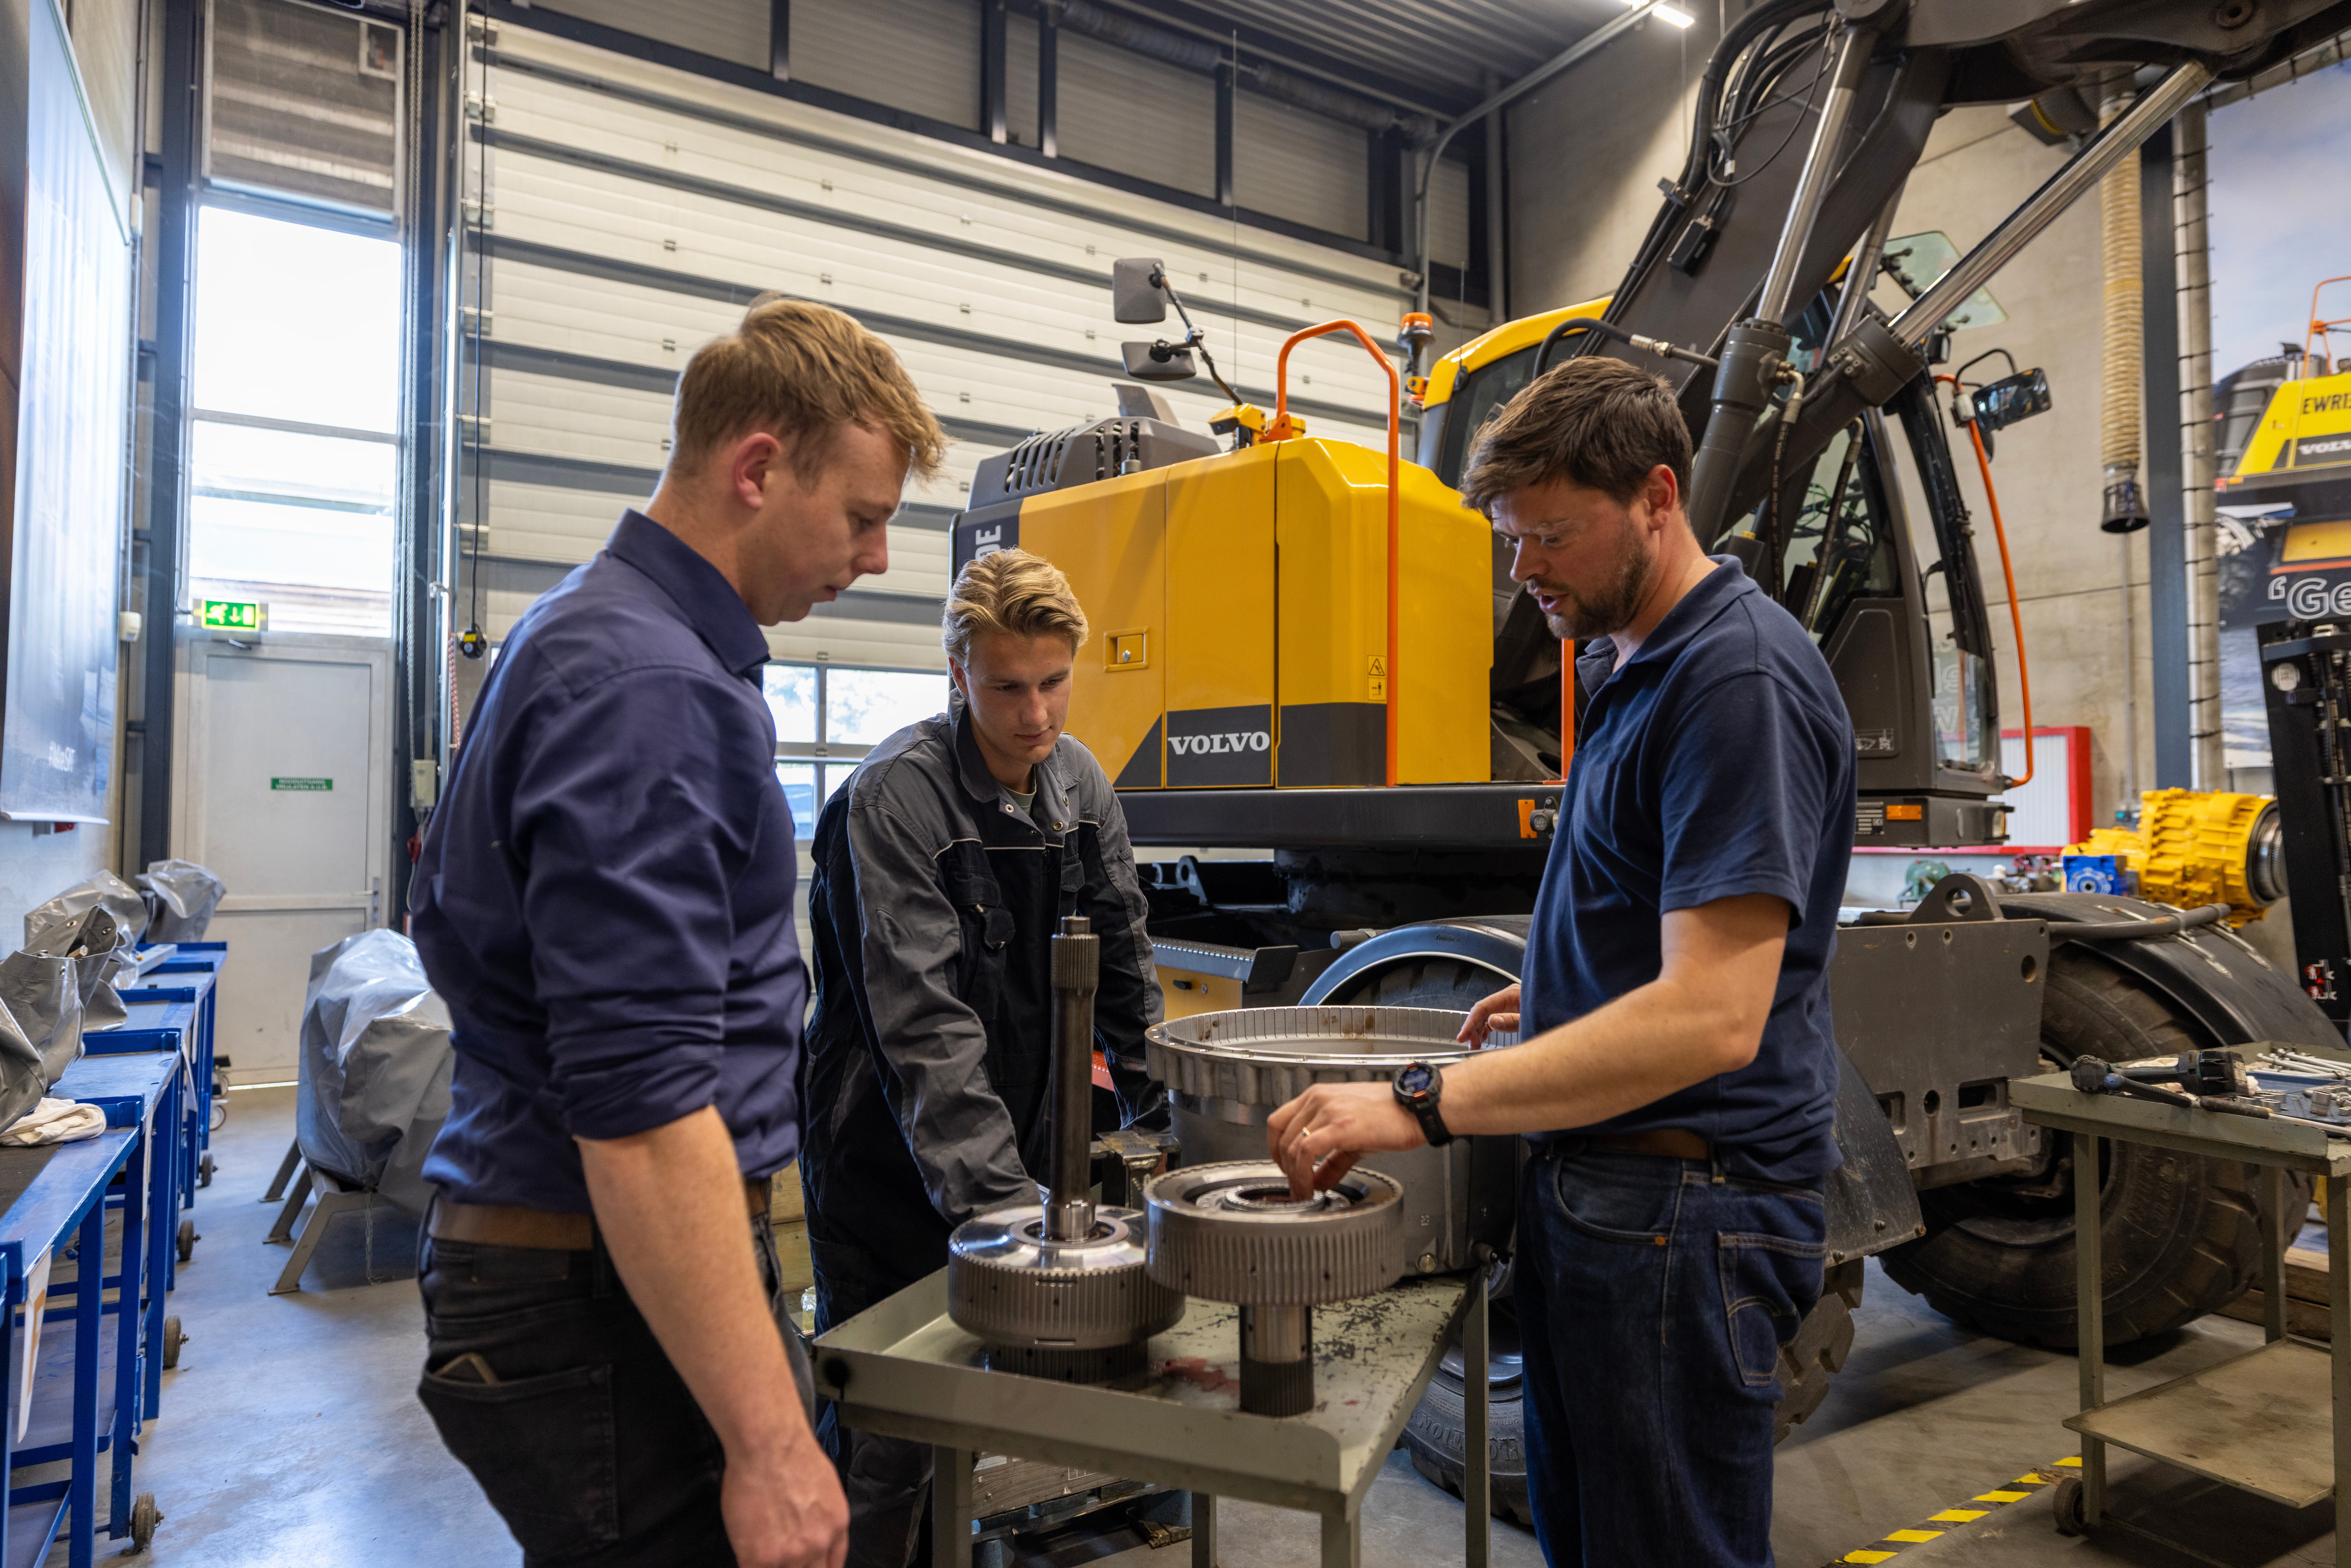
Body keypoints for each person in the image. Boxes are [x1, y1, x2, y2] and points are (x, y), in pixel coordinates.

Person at [1264, 358, 1855, 1567]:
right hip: (1616, 1204)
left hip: (1685, 1221)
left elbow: (1707, 1020)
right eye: (1510, 541)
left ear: (1655, 495)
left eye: (1550, 535)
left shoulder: (1728, 679)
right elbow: (1662, 906)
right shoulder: (1630, 660)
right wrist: (1560, 984)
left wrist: (1417, 1102)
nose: (1523, 570)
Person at [409, 296, 945, 1568]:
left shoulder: (606, 635)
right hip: (595, 1287)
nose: (874, 559)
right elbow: (643, 1109)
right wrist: (768, 1444)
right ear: (757, 468)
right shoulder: (647, 688)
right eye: (862, 518)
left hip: (598, 1266)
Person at [800, 547, 1164, 1568]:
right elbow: (926, 1032)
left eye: (1054, 683)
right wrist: (1007, 1219)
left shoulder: (1080, 784)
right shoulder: (893, 801)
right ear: (957, 674)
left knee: (972, 1420)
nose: (1037, 714)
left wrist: (1164, 1128)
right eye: (1007, 686)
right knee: (886, 1438)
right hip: (884, 1164)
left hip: (1015, 1164)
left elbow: (1127, 963)